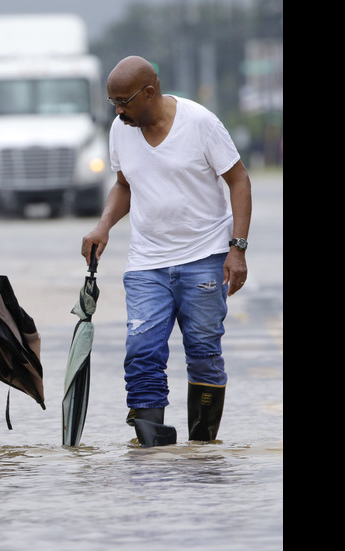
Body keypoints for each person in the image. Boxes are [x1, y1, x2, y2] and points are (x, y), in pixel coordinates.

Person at [81, 56, 252, 447]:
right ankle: (151, 447)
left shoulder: (201, 124)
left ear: (150, 92)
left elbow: (239, 180)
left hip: (205, 256)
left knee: (204, 352)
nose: (119, 110)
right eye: (113, 103)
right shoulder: (121, 129)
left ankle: (202, 449)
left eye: (124, 101)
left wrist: (237, 249)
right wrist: (104, 225)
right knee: (142, 351)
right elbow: (123, 185)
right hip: (147, 262)